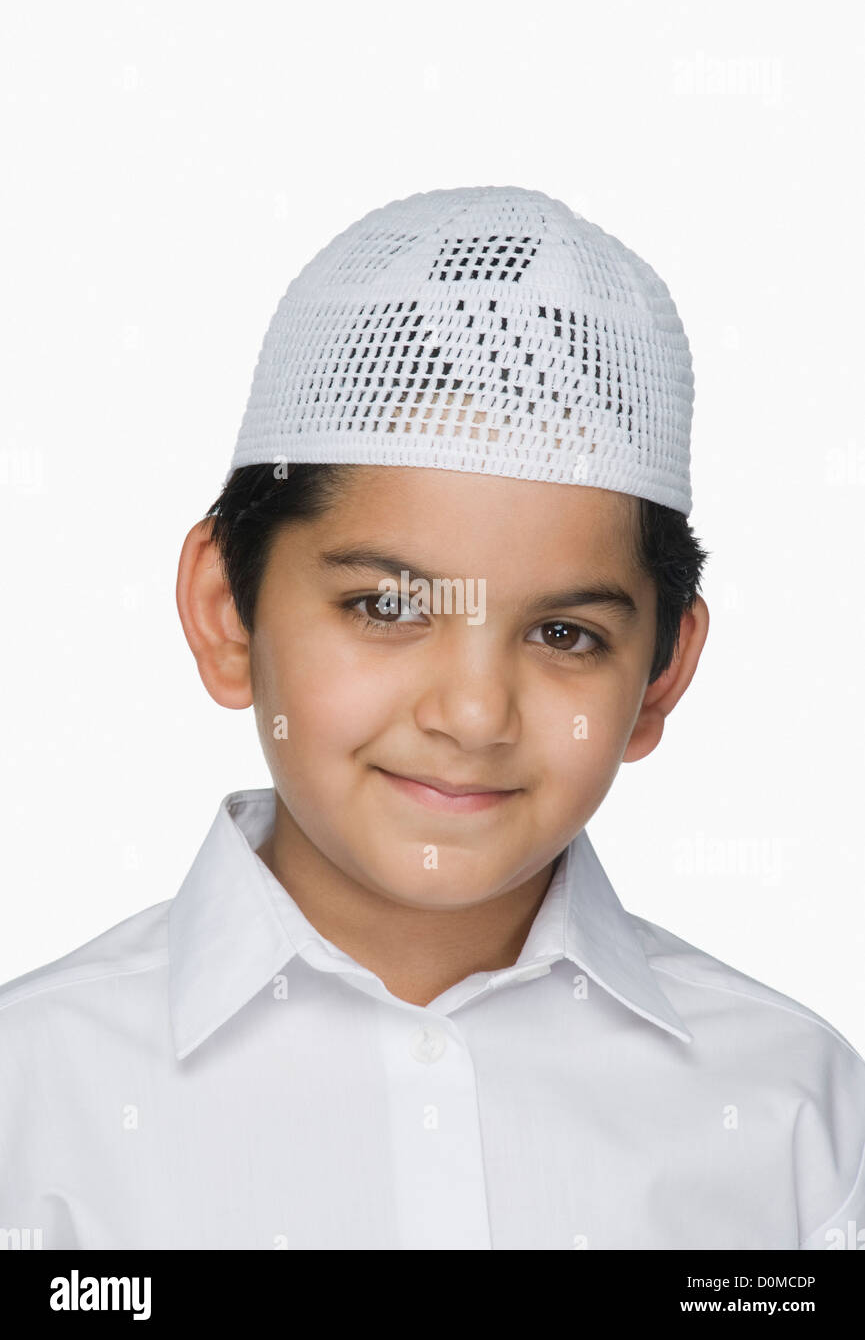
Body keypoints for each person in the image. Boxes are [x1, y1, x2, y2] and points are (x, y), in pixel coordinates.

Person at [1, 185, 862, 1251]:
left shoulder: (793, 1112)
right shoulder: (34, 1099)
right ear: (228, 612)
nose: (471, 712)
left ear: (660, 675)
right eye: (387, 607)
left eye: (563, 635)